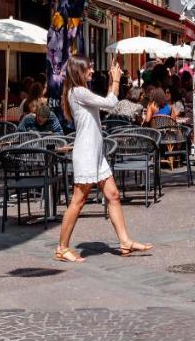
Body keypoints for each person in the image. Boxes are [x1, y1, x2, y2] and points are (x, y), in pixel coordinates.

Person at [54, 57, 152, 262]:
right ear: (79, 71)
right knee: (78, 201)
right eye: (89, 68)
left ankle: (125, 241)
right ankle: (62, 248)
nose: (91, 71)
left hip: (96, 153)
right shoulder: (78, 92)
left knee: (113, 195)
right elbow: (110, 104)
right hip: (87, 152)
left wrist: (111, 82)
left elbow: (106, 102)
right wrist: (115, 80)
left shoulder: (80, 92)